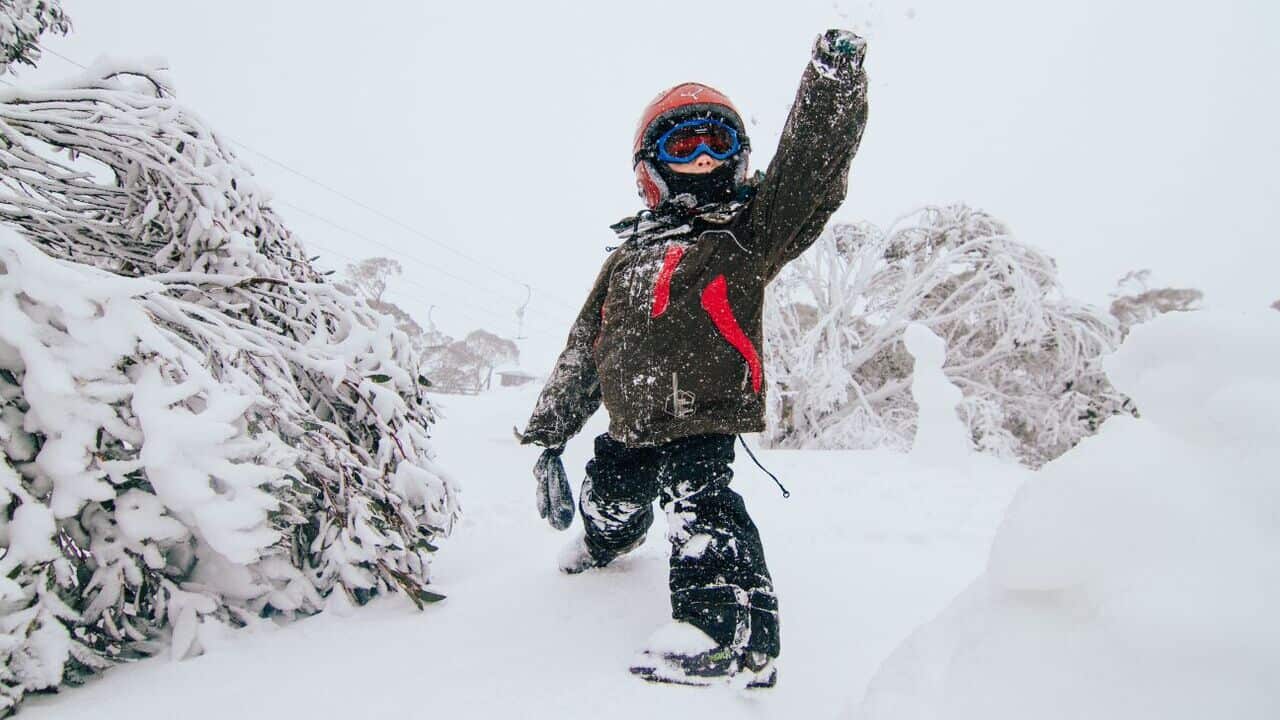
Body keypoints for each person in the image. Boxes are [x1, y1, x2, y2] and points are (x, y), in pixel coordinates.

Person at [518, 29, 869, 688]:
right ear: (651, 164)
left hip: (701, 414)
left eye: (719, 143)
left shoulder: (744, 235)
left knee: (699, 506)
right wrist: (549, 435)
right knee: (611, 494)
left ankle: (725, 633)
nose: (704, 158)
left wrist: (831, 82)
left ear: (737, 158)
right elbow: (583, 349)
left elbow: (807, 173)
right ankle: (602, 540)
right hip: (630, 421)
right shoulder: (626, 261)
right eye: (685, 144)